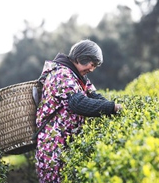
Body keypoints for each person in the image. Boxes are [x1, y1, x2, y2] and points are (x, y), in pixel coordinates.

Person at [35, 39, 123, 183]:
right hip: (53, 146)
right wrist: (111, 108)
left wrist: (113, 106)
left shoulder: (78, 77)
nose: (92, 69)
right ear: (81, 58)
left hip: (65, 143)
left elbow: (94, 95)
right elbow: (77, 103)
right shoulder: (61, 74)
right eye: (92, 64)